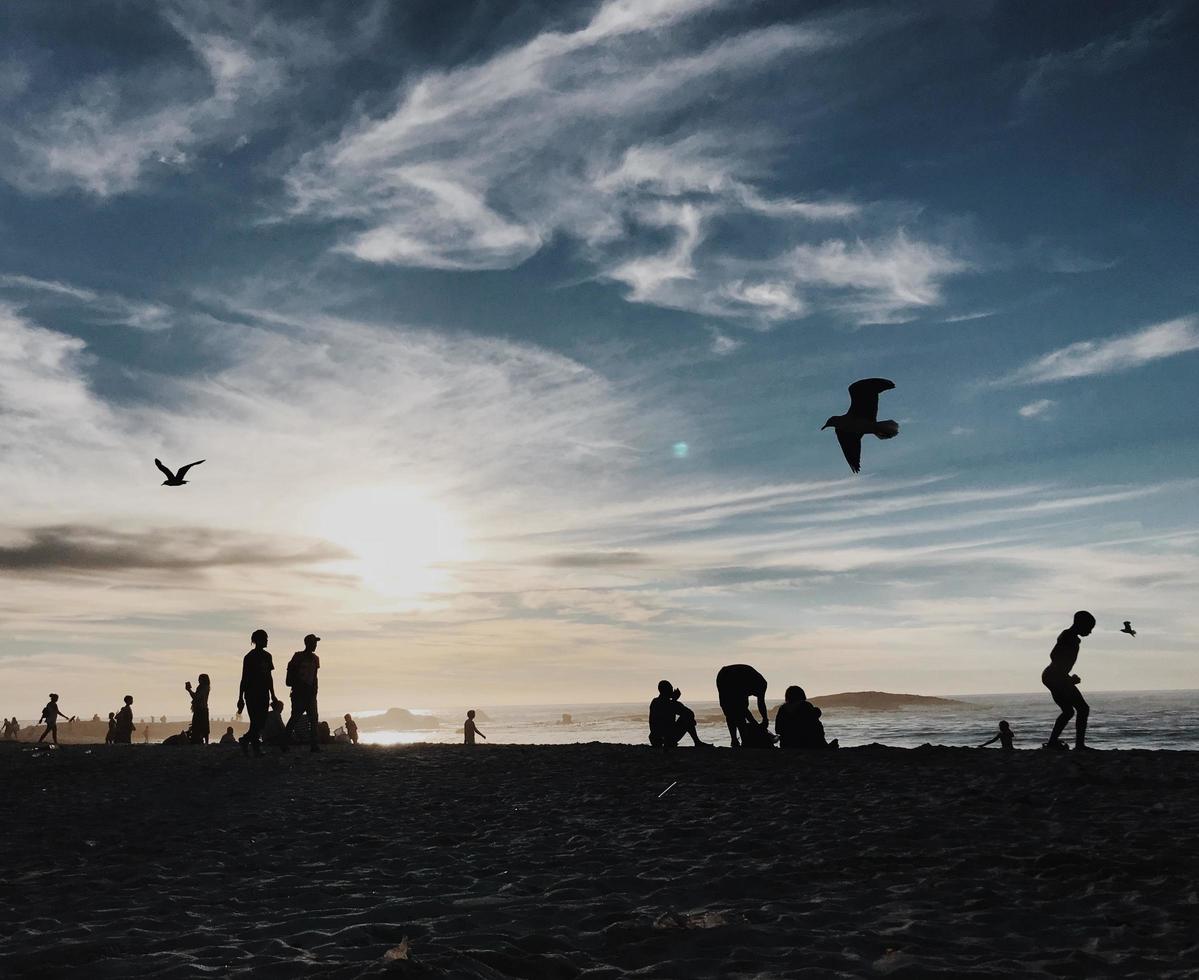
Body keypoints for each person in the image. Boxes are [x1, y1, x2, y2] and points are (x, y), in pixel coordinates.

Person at [1042, 610, 1096, 751]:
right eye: (1089, 628)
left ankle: (1053, 742)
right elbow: (1054, 655)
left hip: (1054, 676)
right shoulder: (1068, 636)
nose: (1090, 632)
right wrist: (1066, 678)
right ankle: (1079, 745)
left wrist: (1067, 677)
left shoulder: (1071, 637)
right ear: (1080, 624)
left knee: (1068, 711)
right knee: (1082, 709)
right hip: (1055, 676)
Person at [237, 629, 279, 756]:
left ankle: (247, 742)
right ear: (258, 640)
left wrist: (273, 694)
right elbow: (244, 678)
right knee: (257, 721)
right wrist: (240, 698)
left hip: (264, 693)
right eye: (265, 638)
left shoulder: (268, 656)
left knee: (260, 722)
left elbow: (269, 677)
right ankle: (252, 745)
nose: (267, 640)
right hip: (251, 693)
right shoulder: (249, 657)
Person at [716, 664, 771, 748]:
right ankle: (742, 741)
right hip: (731, 676)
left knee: (730, 711)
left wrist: (764, 719)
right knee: (733, 712)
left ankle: (736, 740)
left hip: (723, 674)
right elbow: (743, 709)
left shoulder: (760, 684)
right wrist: (758, 723)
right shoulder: (754, 683)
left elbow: (759, 704)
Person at [284, 634, 321, 752]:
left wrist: (315, 691)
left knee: (313, 719)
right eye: (313, 643)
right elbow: (290, 676)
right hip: (299, 694)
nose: (315, 645)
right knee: (295, 717)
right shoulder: (298, 657)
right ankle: (284, 742)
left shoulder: (316, 659)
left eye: (315, 643)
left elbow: (315, 677)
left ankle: (314, 745)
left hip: (310, 694)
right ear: (308, 644)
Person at [648, 681, 710, 749]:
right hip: (666, 738)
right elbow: (689, 713)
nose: (672, 691)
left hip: (655, 739)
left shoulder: (655, 702)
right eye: (670, 689)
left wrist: (673, 701)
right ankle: (697, 742)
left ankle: (696, 742)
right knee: (688, 718)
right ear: (667, 691)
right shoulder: (670, 703)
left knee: (688, 718)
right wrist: (674, 700)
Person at [186, 674, 211, 745]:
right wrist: (189, 690)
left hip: (201, 709)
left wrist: (189, 690)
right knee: (203, 727)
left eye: (200, 679)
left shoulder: (204, 687)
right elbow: (196, 697)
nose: (198, 680)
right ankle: (205, 742)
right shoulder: (204, 687)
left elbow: (196, 697)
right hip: (202, 709)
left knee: (201, 727)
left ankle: (205, 742)